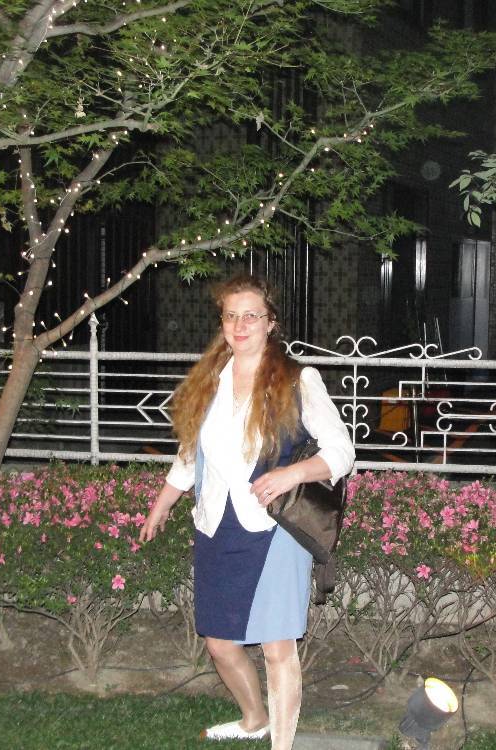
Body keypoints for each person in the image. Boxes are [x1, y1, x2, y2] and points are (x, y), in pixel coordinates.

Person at [139, 273, 355, 748]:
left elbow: (342, 452)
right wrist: (162, 505)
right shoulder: (210, 381)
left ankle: (282, 744)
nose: (240, 325)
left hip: (275, 525)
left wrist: (291, 474)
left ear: (270, 322)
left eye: (251, 315)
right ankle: (254, 719)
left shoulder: (298, 380)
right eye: (231, 316)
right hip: (218, 524)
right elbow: (191, 455)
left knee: (277, 647)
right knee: (219, 643)